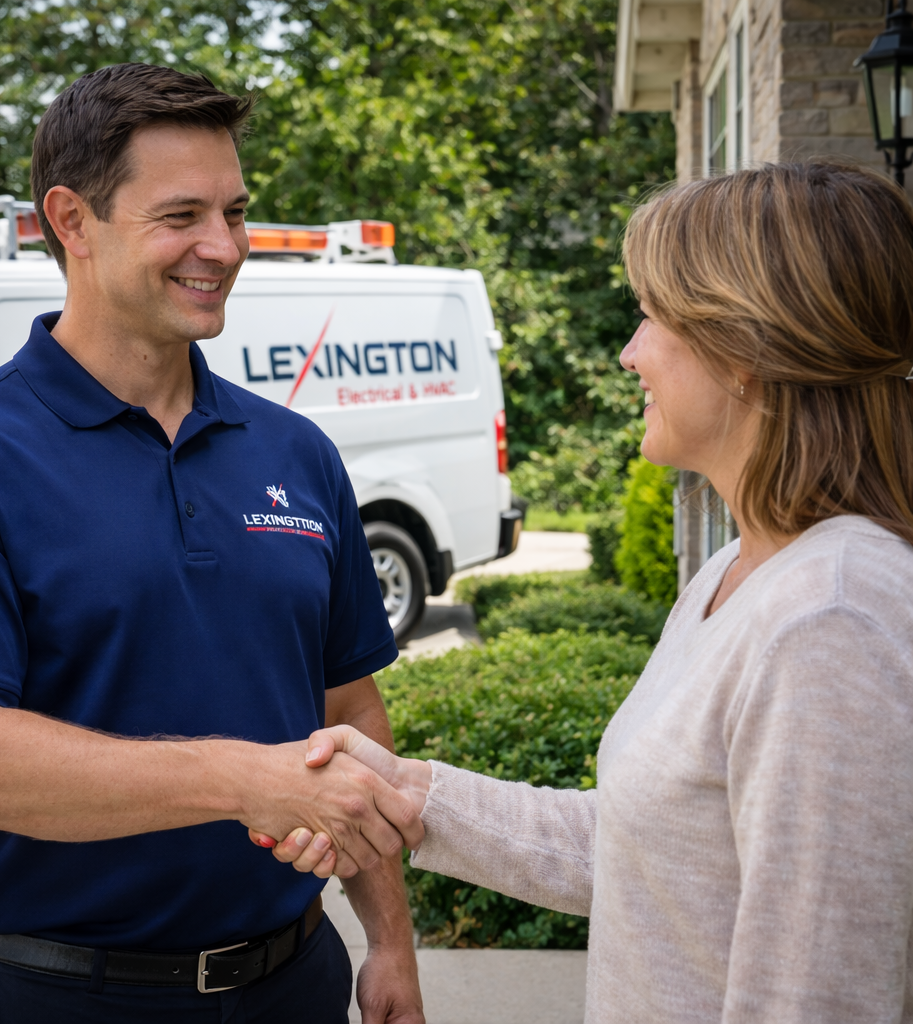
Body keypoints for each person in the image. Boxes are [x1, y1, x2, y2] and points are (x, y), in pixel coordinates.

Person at [259, 162, 913, 1023]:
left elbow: (818, 998)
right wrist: (409, 793)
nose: (630, 352)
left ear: (747, 350)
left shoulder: (830, 619)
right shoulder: (737, 573)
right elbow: (647, 853)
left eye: (653, 317)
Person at [0, 63, 424, 1024]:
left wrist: (388, 940)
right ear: (73, 220)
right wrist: (243, 780)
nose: (223, 247)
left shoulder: (296, 450)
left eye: (235, 212)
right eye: (182, 216)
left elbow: (348, 708)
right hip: (51, 996)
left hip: (292, 982)